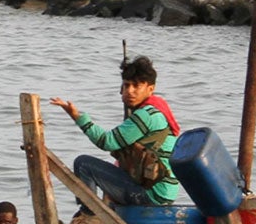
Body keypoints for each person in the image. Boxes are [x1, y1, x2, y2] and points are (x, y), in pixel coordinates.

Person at [51, 55, 179, 207]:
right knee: (115, 172)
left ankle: (89, 216)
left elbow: (107, 142)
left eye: (136, 86)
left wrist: (77, 117)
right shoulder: (157, 110)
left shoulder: (146, 115)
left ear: (150, 89)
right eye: (126, 85)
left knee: (83, 164)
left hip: (151, 193)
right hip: (162, 192)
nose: (130, 91)